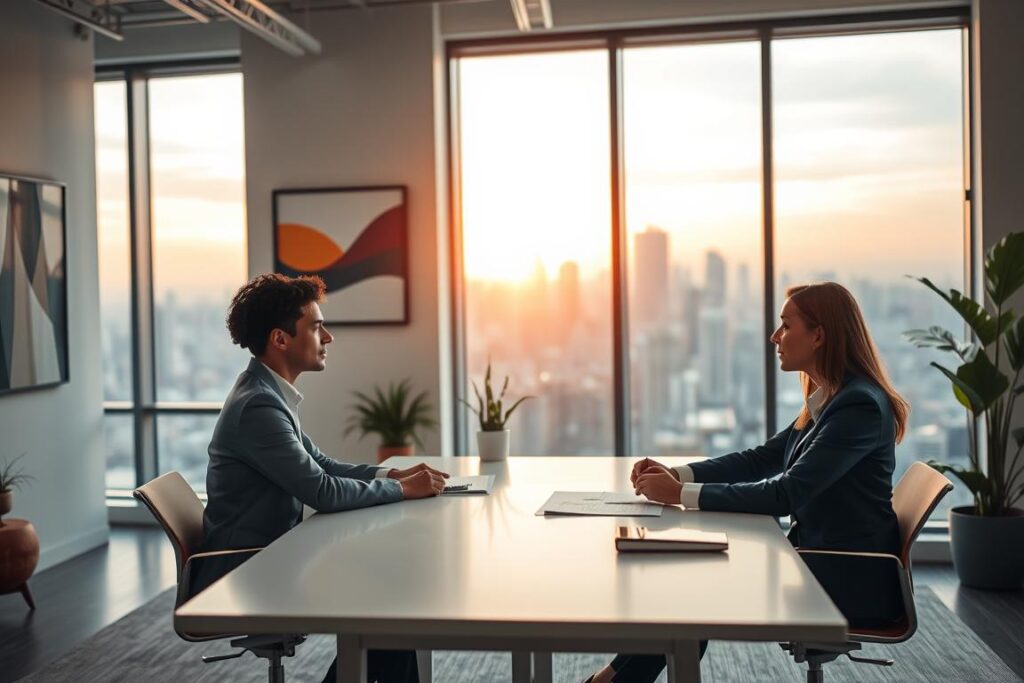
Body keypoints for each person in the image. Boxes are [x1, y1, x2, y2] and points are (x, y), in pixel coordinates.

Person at [586, 281, 910, 683]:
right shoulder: (832, 396)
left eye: (786, 326)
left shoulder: (858, 406)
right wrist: (679, 475)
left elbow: (785, 493)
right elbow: (765, 458)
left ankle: (609, 681)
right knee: (684, 588)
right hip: (816, 561)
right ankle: (610, 679)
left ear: (819, 335)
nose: (775, 337)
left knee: (691, 593)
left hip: (845, 578)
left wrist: (681, 495)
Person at [194, 273, 447, 683]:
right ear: (281, 339)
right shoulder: (259, 405)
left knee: (393, 605)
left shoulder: (267, 393)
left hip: (275, 554)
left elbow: (322, 464)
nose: (327, 337)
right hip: (248, 571)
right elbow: (322, 490)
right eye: (315, 326)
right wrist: (400, 489)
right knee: (391, 605)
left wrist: (390, 473)